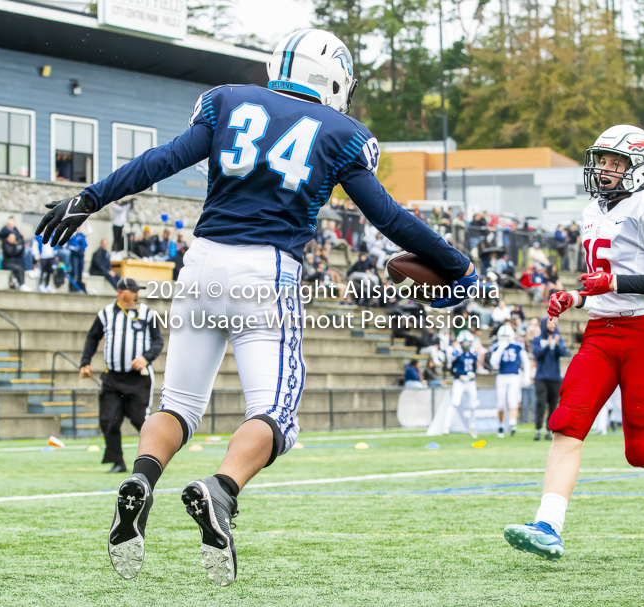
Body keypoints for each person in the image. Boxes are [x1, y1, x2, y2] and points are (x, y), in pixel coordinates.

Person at [35, 29, 476, 586]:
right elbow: (387, 219)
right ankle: (220, 490)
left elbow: (163, 160)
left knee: (178, 403)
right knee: (274, 415)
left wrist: (90, 196)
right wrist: (457, 264)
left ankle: (143, 479)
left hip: (200, 263)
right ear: (334, 78)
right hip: (265, 273)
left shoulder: (228, 100)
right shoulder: (342, 133)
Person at [503, 125, 644, 562]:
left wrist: (613, 281)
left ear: (640, 169)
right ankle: (548, 525)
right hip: (601, 333)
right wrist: (579, 295)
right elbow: (605, 276)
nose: (605, 170)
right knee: (566, 423)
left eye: (616, 163)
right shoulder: (593, 210)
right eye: (602, 161)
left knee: (640, 450)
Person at [80, 277, 164, 473]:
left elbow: (158, 341)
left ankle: (154, 458)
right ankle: (117, 461)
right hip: (112, 378)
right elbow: (92, 338)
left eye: (137, 290)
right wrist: (85, 362)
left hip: (138, 378)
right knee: (109, 421)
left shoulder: (147, 314)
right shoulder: (106, 314)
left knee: (139, 420)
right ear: (120, 292)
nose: (136, 294)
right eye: (132, 290)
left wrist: (146, 357)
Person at [532, 316, 570, 441]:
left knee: (553, 405)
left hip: (554, 377)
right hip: (541, 377)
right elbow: (537, 355)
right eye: (550, 322)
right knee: (541, 404)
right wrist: (548, 346)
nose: (552, 325)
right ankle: (538, 430)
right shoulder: (537, 340)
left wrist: (557, 345)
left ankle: (549, 430)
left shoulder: (558, 338)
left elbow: (562, 353)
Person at [490, 324, 530, 438]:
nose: (505, 338)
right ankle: (501, 425)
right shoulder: (497, 345)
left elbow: (526, 361)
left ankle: (512, 423)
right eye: (503, 336)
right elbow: (494, 363)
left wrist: (526, 376)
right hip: (501, 375)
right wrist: (501, 348)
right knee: (500, 403)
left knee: (513, 399)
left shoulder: (518, 345)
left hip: (514, 375)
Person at [446, 340, 479, 437]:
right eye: (464, 343)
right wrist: (460, 376)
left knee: (473, 404)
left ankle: (472, 427)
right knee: (454, 403)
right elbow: (451, 368)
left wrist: (473, 374)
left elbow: (474, 368)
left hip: (470, 382)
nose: (466, 345)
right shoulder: (457, 354)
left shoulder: (473, 354)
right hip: (459, 381)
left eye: (467, 343)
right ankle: (446, 426)